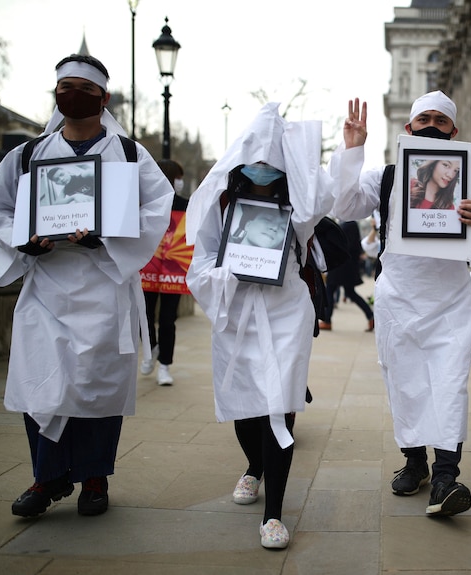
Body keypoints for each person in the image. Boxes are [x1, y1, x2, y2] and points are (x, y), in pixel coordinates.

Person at [0, 54, 172, 518]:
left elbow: (158, 204)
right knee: (40, 383)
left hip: (103, 286)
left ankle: (94, 479)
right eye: (65, 86)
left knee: (96, 386)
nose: (72, 94)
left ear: (102, 98)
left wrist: (109, 239)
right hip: (46, 289)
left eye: (83, 87)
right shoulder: (29, 155)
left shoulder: (127, 153)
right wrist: (24, 243)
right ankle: (47, 479)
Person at [185, 101, 364, 549]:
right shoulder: (220, 202)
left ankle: (274, 514)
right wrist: (230, 274)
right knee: (245, 411)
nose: (264, 170)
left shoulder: (298, 203)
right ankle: (253, 467)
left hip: (287, 314)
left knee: (279, 408)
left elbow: (329, 196)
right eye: (256, 161)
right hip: (236, 315)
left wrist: (347, 151)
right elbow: (199, 266)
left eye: (273, 162)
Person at [332, 90, 471, 516]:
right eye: (423, 119)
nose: (432, 126)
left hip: (449, 300)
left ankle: (447, 476)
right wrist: (351, 151)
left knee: (448, 386)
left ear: (454, 131)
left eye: (440, 120)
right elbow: (343, 204)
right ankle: (414, 462)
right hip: (398, 299)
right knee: (405, 383)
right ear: (408, 129)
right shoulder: (388, 176)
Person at [140, 159, 193, 385]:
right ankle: (152, 348)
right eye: (179, 177)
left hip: (174, 267)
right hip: (147, 266)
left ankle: (164, 365)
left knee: (168, 318)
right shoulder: (146, 203)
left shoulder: (187, 205)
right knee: (144, 315)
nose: (180, 182)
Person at [319, 220, 374, 332]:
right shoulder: (351, 224)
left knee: (330, 290)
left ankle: (327, 320)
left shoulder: (349, 224)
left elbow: (343, 245)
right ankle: (370, 316)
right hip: (345, 267)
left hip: (341, 266)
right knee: (349, 292)